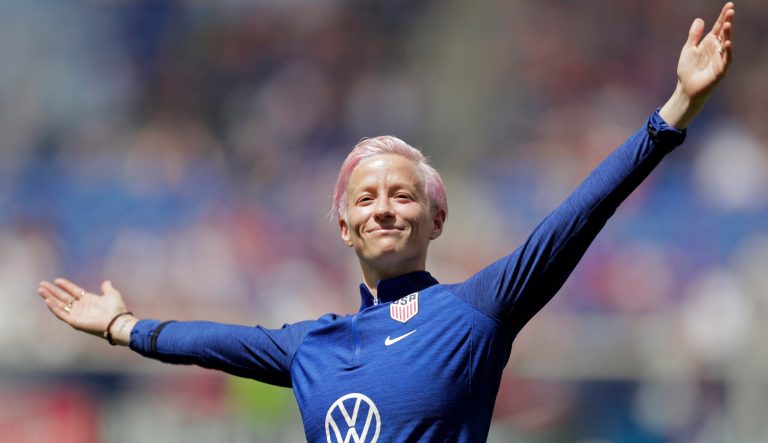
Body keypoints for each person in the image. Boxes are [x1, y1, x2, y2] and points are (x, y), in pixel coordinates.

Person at [38, 4, 735, 442]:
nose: (383, 207)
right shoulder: (310, 346)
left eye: (402, 195)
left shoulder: (475, 314)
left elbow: (577, 217)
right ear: (344, 227)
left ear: (436, 217)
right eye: (366, 198)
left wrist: (673, 110)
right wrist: (122, 327)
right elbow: (211, 342)